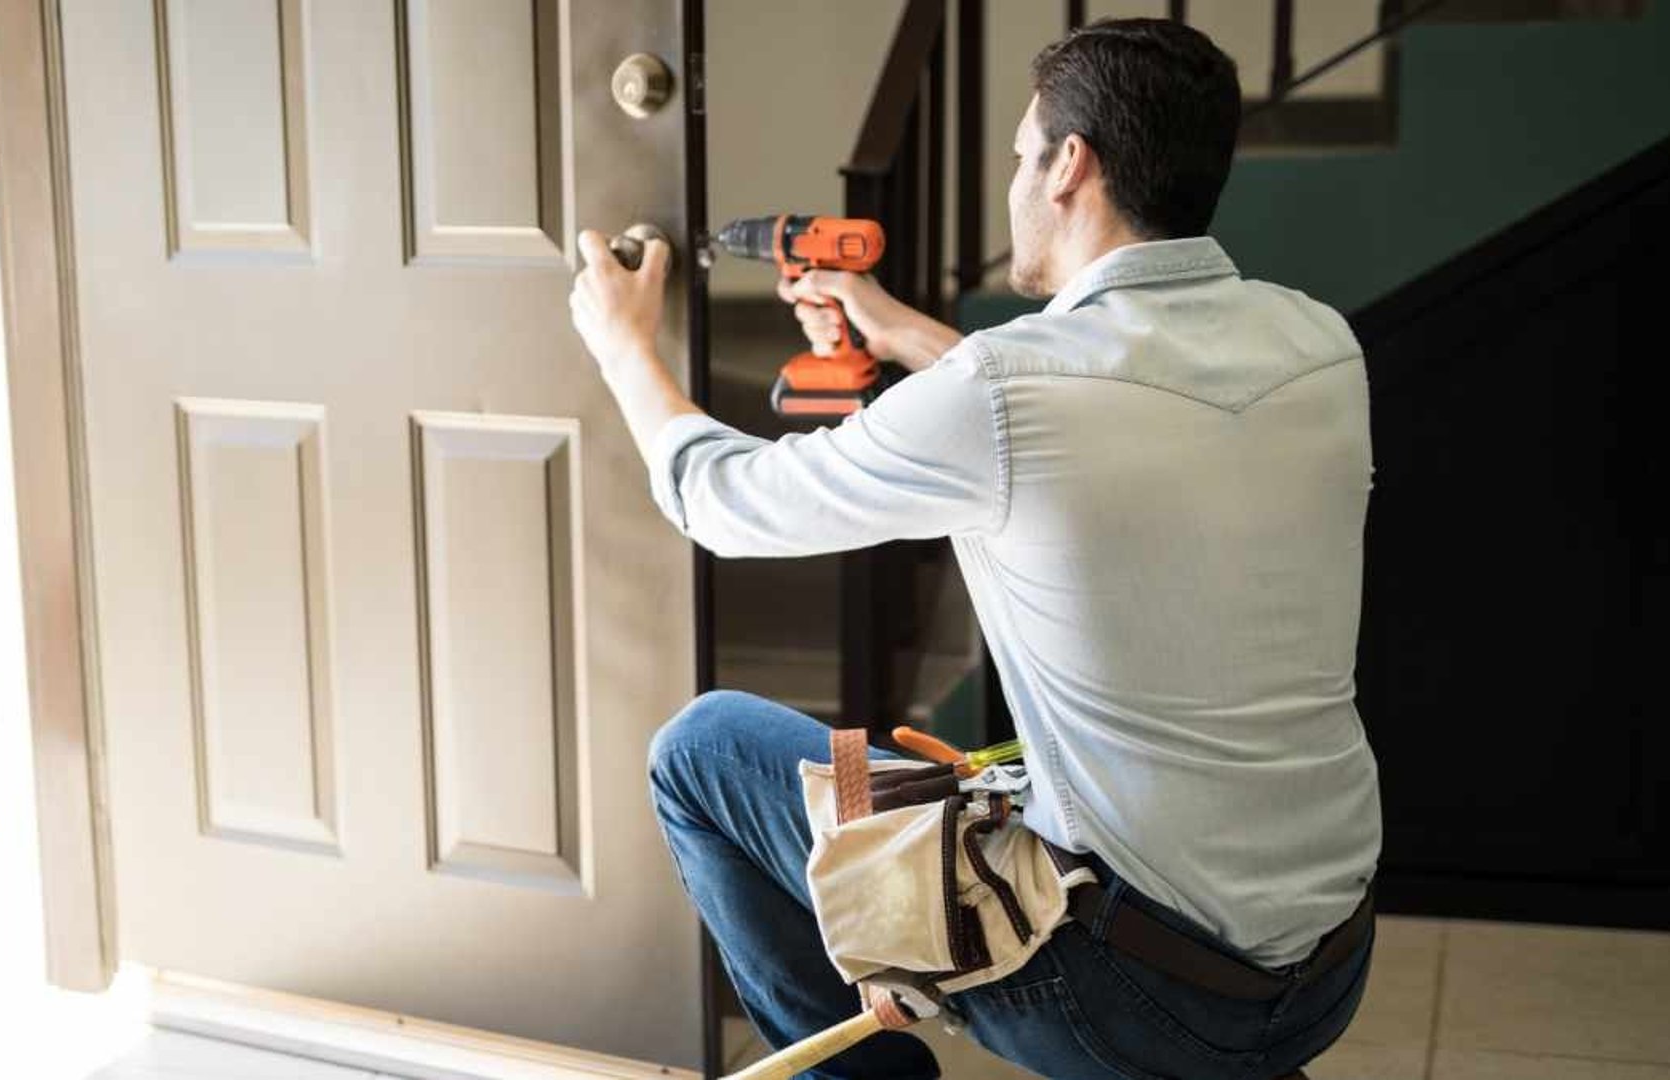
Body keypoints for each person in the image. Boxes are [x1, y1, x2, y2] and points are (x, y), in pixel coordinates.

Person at [568, 17, 1380, 1079]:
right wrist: (903, 334)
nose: (1011, 179)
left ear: (1069, 166)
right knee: (935, 787)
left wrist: (627, 346)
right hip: (1326, 965)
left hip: (1141, 997)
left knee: (705, 749)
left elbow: (722, 502)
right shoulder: (1319, 343)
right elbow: (1097, 420)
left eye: (1017, 154)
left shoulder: (1003, 390)